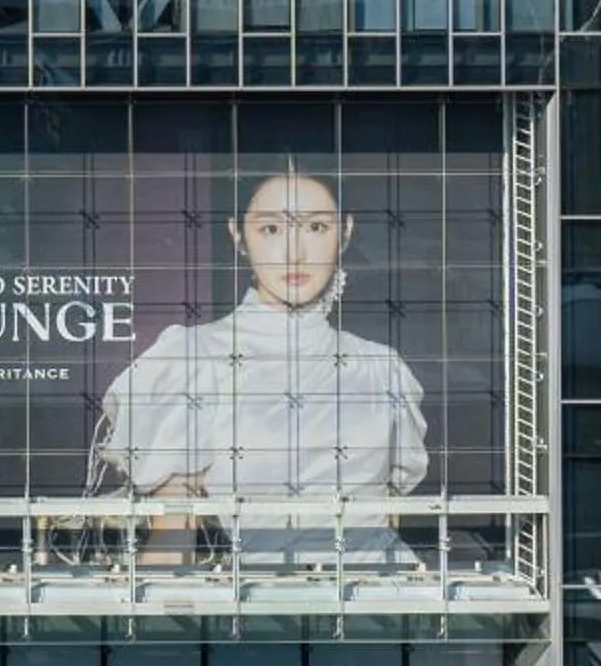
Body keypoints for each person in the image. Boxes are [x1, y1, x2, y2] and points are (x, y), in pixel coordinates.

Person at [93, 165, 430, 557]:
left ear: (346, 232)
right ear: (238, 235)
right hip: (260, 602)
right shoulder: (190, 360)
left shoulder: (381, 368)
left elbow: (390, 510)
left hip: (385, 598)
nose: (294, 252)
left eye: (316, 227)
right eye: (271, 229)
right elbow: (171, 543)